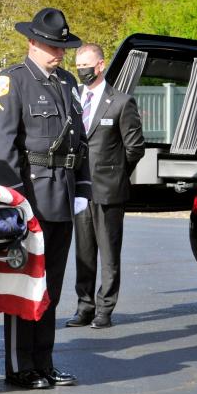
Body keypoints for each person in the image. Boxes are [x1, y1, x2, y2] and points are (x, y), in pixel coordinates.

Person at [0, 7, 91, 389]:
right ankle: (19, 365)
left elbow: (80, 140)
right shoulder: (12, 81)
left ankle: (44, 361)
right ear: (31, 42)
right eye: (51, 46)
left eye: (62, 47)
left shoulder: (66, 83)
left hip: (62, 195)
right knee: (24, 283)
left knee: (52, 286)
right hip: (30, 195)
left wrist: (82, 187)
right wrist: (15, 199)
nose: (58, 53)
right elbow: (1, 144)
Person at [67, 43, 145, 330]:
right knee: (83, 252)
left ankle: (105, 309)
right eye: (78, 66)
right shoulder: (74, 98)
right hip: (79, 190)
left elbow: (135, 148)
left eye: (86, 65)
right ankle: (84, 306)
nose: (82, 71)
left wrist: (116, 174)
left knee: (109, 254)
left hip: (108, 189)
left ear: (100, 65)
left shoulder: (122, 102)